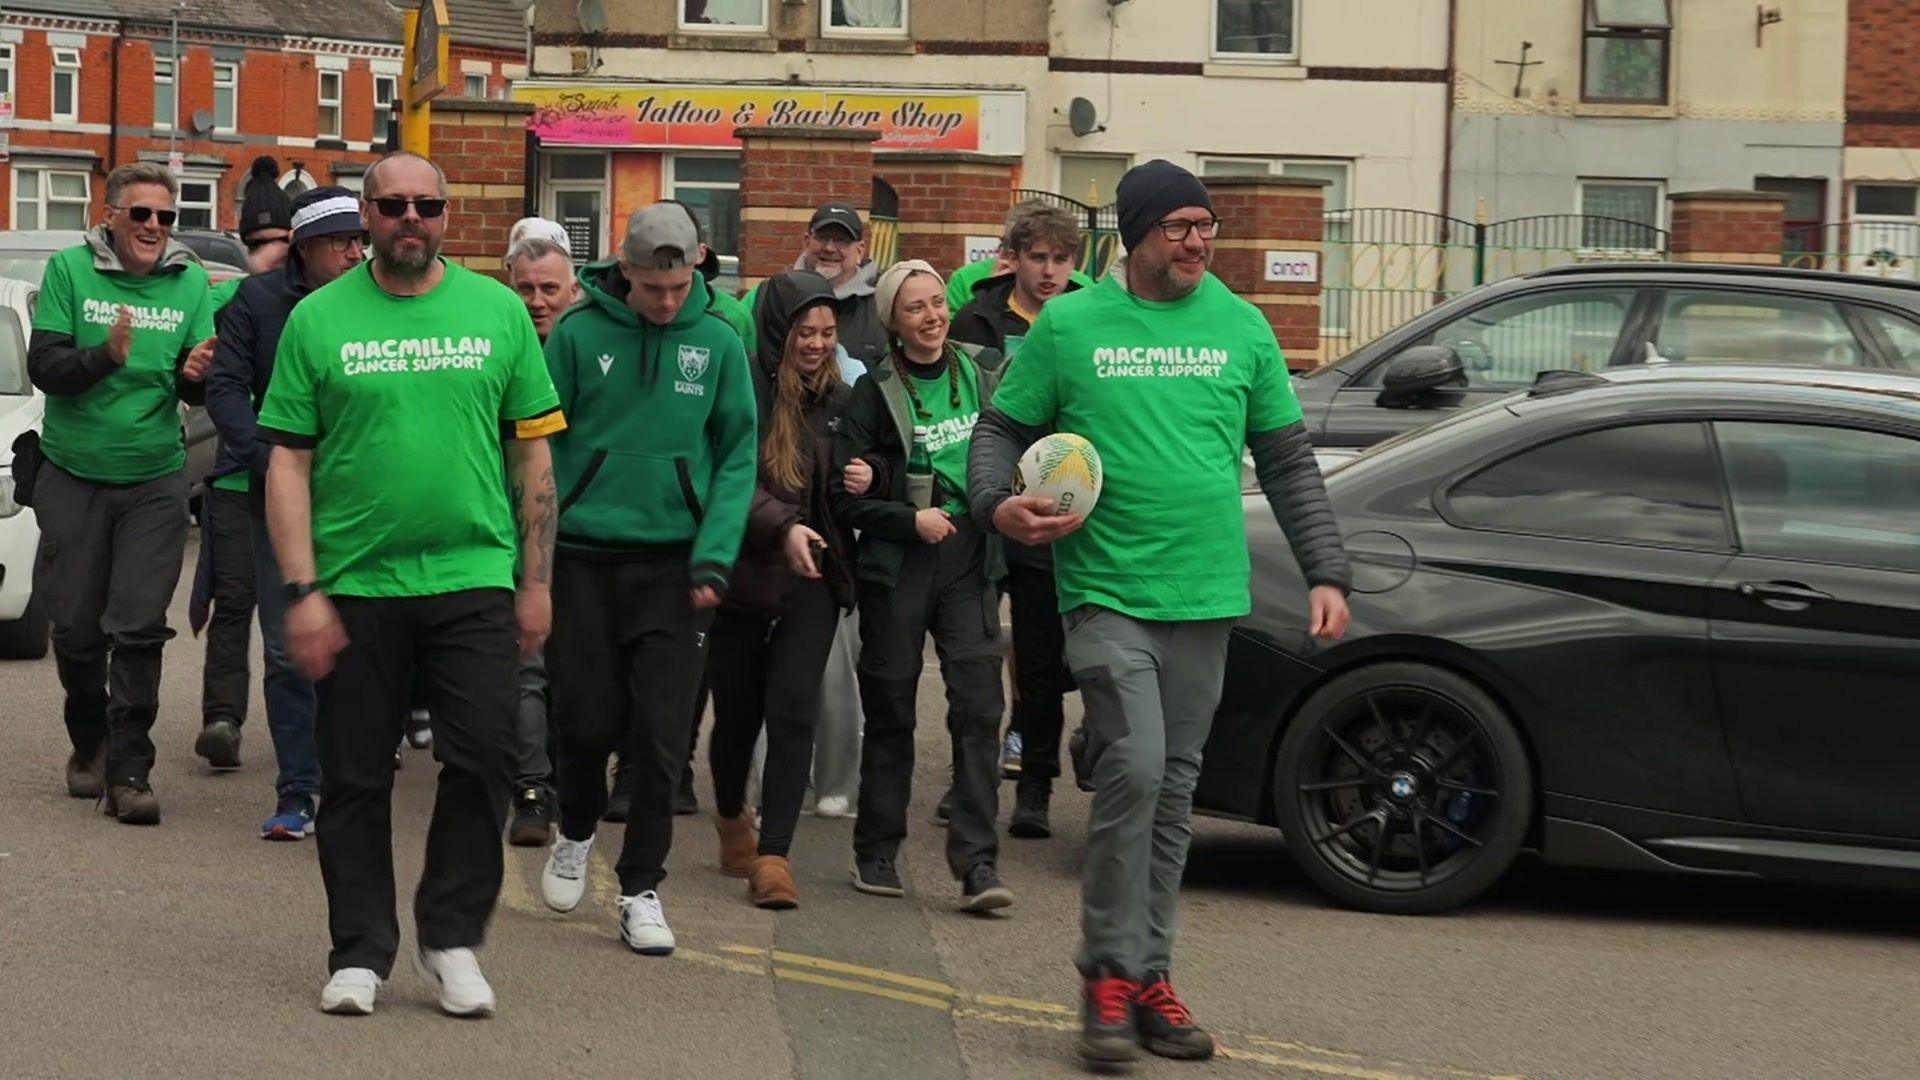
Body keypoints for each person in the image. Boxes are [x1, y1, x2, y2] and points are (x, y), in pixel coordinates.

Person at [968, 160, 1352, 1066]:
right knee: (1134, 770)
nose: (1197, 241)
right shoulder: (1071, 325)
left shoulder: (1241, 326)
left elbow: (1290, 462)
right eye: (1178, 226)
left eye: (1205, 225)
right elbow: (1000, 429)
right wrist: (996, 505)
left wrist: (1327, 571)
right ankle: (1104, 974)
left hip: (1207, 596)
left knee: (1173, 793)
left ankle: (1149, 975)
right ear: (1135, 234)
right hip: (1106, 593)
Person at [257, 152, 564, 1018]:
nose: (410, 219)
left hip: (471, 575)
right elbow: (287, 460)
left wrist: (534, 582)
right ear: (366, 214)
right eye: (393, 206)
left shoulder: (499, 312)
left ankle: (451, 937)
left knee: (485, 756)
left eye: (427, 205)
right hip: (356, 579)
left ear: (445, 213)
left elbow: (531, 455)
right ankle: (359, 951)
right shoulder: (318, 320)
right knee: (354, 776)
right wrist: (302, 589)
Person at [535, 202, 756, 956]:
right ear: (624, 270)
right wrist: (530, 554)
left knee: (661, 740)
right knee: (587, 722)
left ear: (696, 267)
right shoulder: (576, 333)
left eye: (680, 286)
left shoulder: (720, 342)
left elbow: (736, 456)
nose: (668, 303)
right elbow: (535, 444)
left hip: (676, 563)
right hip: (583, 558)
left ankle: (640, 887)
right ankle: (573, 829)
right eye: (653, 288)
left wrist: (715, 553)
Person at [25, 161, 217, 823]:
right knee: (77, 631)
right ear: (109, 217)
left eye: (166, 217)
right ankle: (91, 743)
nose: (155, 228)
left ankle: (130, 771)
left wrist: (195, 376)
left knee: (137, 627)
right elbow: (45, 368)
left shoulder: (191, 283)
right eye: (141, 214)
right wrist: (105, 355)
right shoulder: (69, 272)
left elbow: (191, 389)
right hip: (73, 474)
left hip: (154, 478)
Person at [831, 259, 1011, 912]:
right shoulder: (873, 392)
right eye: (916, 308)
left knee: (979, 708)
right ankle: (876, 851)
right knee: (892, 712)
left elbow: (1025, 442)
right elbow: (843, 499)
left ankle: (978, 866)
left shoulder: (987, 370)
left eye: (938, 303)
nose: (933, 316)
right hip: (900, 565)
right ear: (893, 322)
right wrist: (910, 519)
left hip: (970, 560)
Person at [204, 185, 367, 840]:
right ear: (306, 248)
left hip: (363, 499)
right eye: (342, 242)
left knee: (363, 642)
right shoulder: (258, 302)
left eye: (361, 239)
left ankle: (353, 776)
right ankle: (298, 788)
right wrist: (268, 460)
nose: (357, 252)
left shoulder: (379, 300)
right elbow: (224, 386)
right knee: (288, 646)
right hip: (282, 498)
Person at [702, 270, 860, 909]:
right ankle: (732, 814)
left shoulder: (847, 399)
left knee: (793, 709)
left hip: (814, 577)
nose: (818, 344)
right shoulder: (740, 388)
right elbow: (723, 476)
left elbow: (872, 469)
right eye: (806, 332)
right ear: (778, 331)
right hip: (742, 572)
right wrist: (782, 526)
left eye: (827, 333)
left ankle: (776, 855)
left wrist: (870, 470)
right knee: (737, 716)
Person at [950, 202, 1088, 839]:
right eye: (1039, 258)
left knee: (1038, 661)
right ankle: (967, 781)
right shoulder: (977, 317)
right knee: (973, 660)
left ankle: (1035, 785)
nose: (1051, 271)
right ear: (1013, 257)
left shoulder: (1084, 322)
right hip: (981, 505)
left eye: (1062, 259)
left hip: (1045, 507)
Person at [188, 158, 297, 773]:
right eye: (256, 244)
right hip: (236, 479)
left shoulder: (324, 302)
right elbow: (197, 372)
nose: (269, 253)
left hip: (311, 482)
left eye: (279, 241)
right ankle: (222, 719)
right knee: (235, 602)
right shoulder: (227, 299)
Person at [500, 225, 581, 846]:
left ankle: (574, 780)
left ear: (573, 290)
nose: (536, 300)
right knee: (527, 666)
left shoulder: (587, 351)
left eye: (549, 288)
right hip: (509, 533)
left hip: (585, 536)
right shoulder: (495, 348)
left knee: (577, 673)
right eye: (524, 287)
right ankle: (532, 787)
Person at [743, 203, 886, 367]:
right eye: (823, 237)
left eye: (842, 240)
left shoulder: (882, 306)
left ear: (860, 250)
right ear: (806, 241)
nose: (830, 248)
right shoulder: (763, 296)